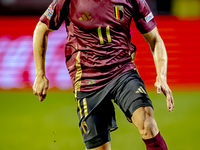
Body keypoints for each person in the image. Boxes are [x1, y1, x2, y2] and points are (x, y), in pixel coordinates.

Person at [33, 0, 174, 149]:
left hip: (123, 71)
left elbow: (155, 39)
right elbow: (41, 29)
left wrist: (162, 77)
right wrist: (40, 74)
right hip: (87, 79)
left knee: (146, 119)